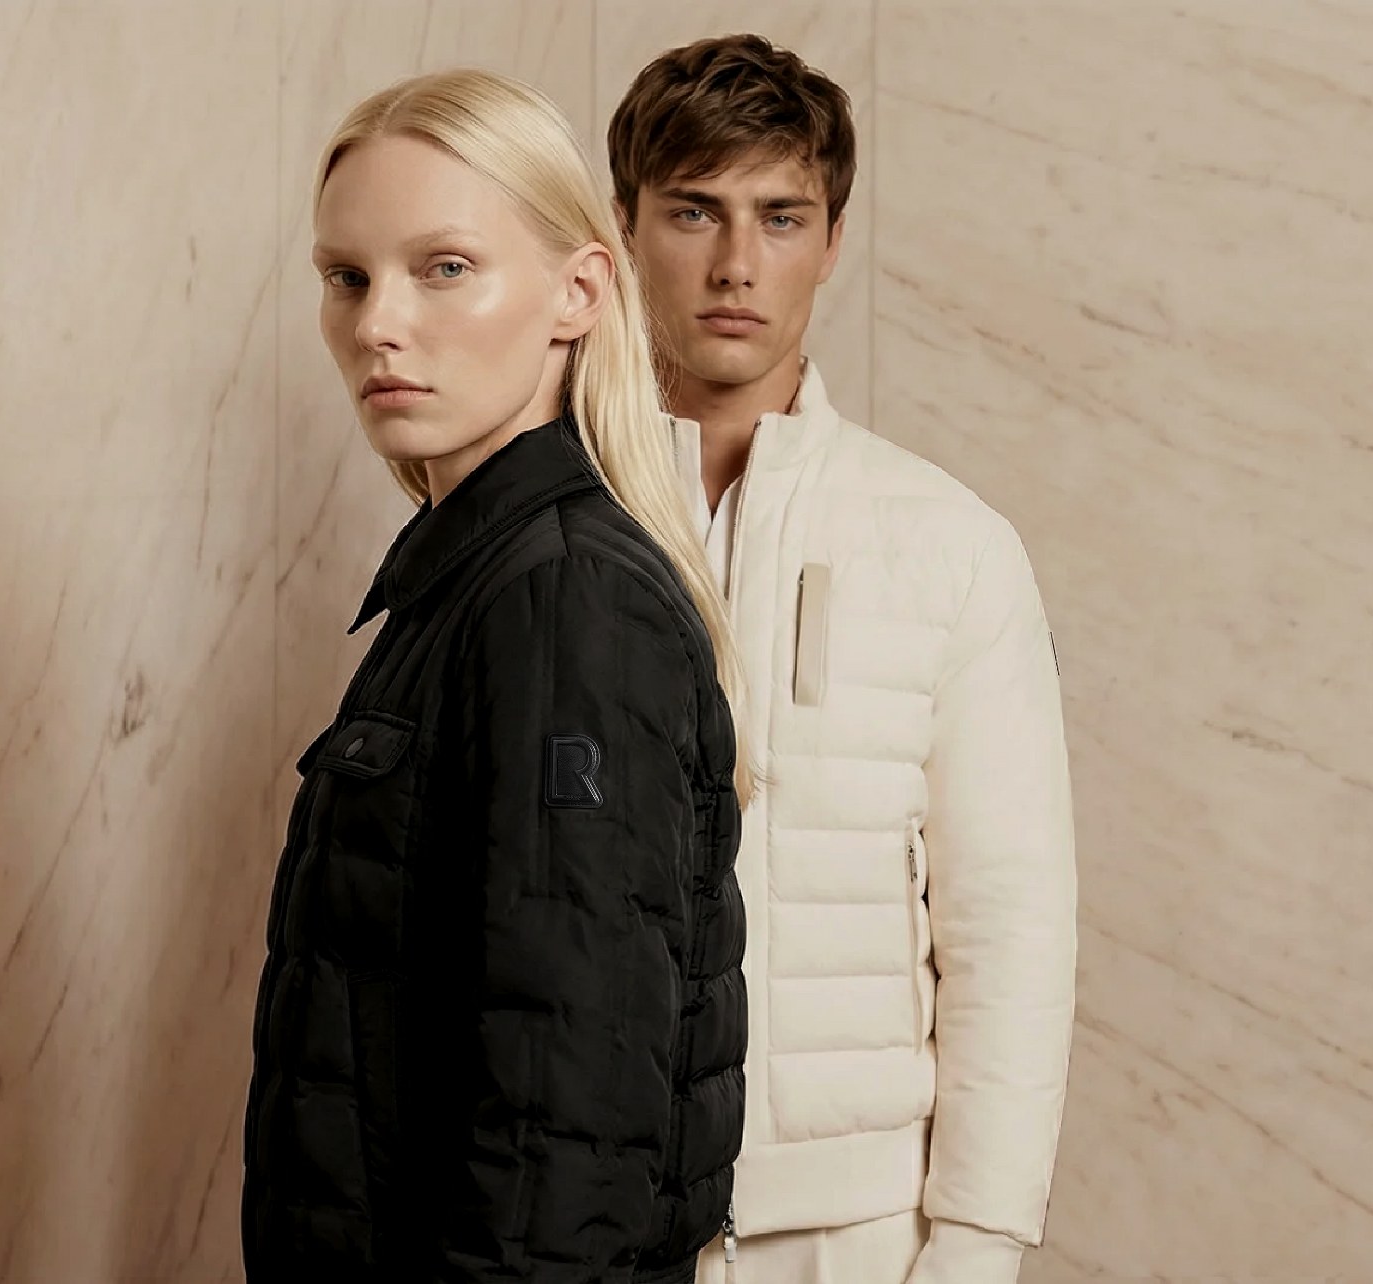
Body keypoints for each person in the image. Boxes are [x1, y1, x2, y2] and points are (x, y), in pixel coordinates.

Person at [241, 68, 752, 1284]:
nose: (377, 323)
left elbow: (566, 1135)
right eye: (345, 277)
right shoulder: (474, 582)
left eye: (444, 267)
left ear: (579, 292)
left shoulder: (567, 600)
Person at [607, 35, 1079, 1284]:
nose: (734, 263)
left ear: (830, 240)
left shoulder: (948, 545)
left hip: (857, 1233)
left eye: (780, 217)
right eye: (691, 211)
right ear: (622, 228)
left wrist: (975, 1243)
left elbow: (1008, 920)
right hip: (587, 1218)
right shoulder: (551, 526)